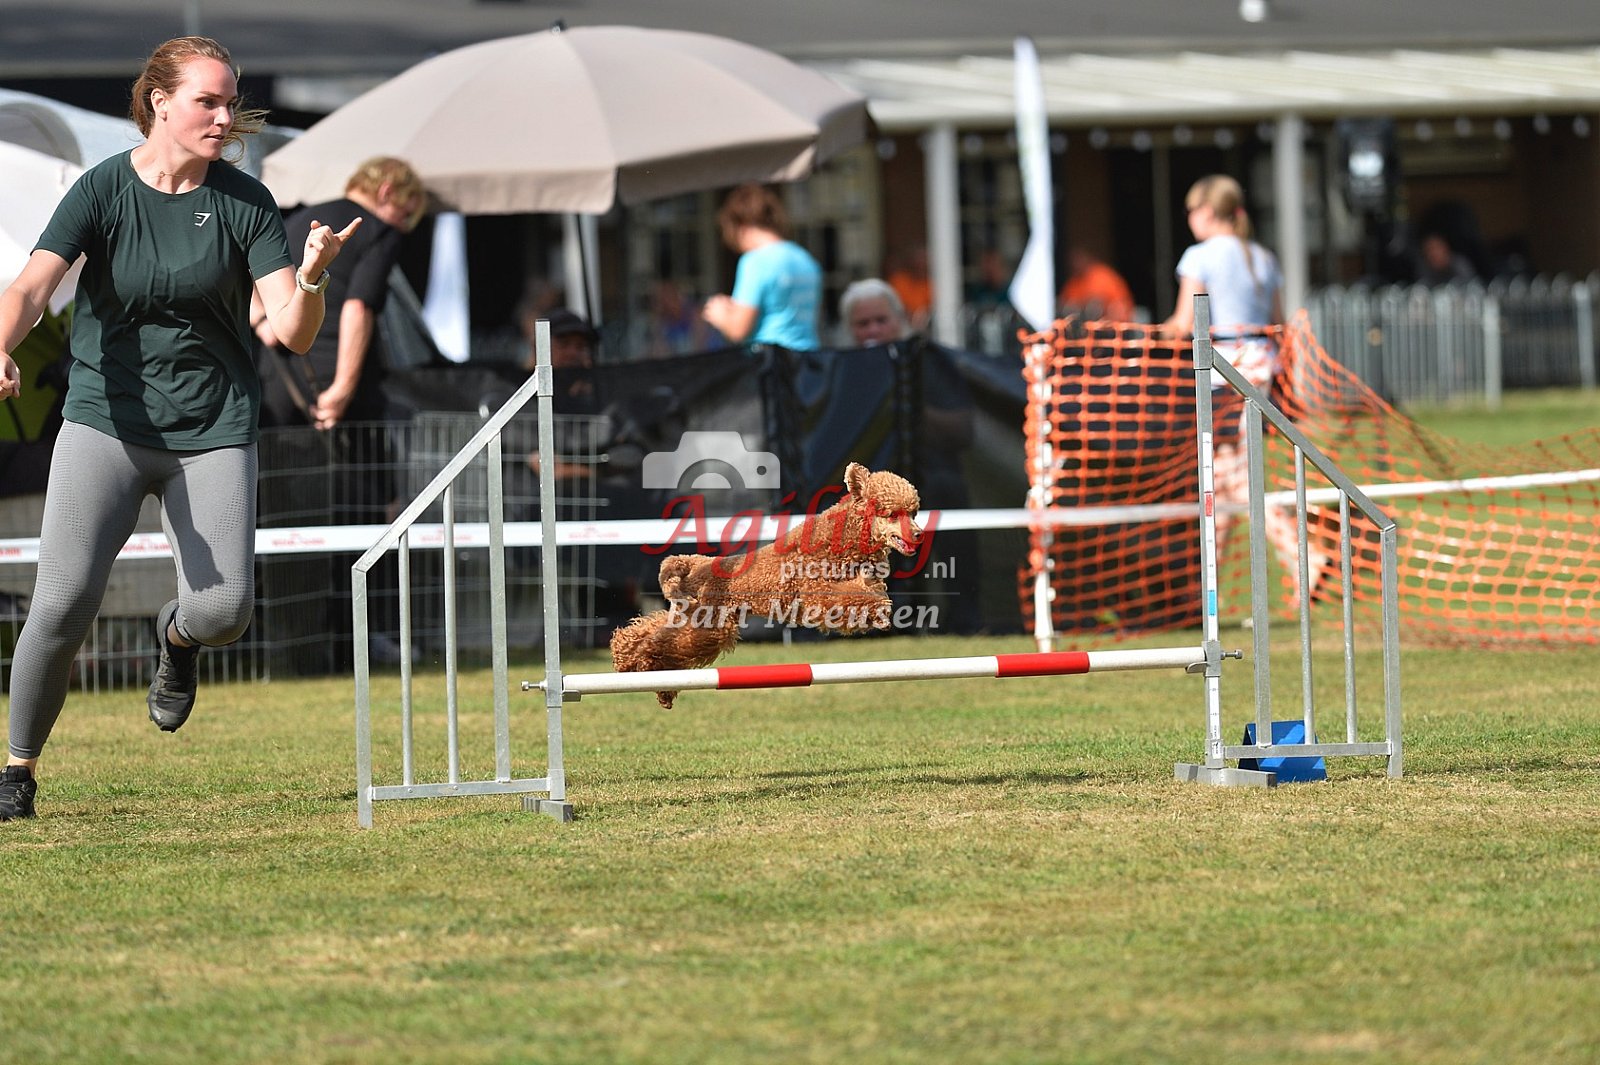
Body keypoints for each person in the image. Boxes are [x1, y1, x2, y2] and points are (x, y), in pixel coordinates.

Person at [0, 36, 359, 821]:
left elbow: (293, 332)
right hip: (105, 421)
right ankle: (17, 769)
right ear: (160, 102)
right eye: (208, 101)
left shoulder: (245, 201)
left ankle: (178, 637)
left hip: (214, 427)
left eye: (231, 102)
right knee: (62, 604)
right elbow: (29, 286)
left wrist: (311, 276)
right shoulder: (102, 189)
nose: (225, 117)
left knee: (224, 611)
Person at [1160, 174, 1313, 594]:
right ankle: (1202, 585)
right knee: (1224, 479)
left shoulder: (1199, 257)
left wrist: (1145, 338)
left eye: (1192, 210)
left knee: (1238, 481)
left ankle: (1303, 558)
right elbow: (1277, 324)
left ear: (1208, 212)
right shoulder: (1263, 257)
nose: (1189, 218)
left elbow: (1183, 322)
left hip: (1223, 378)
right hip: (1261, 372)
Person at [255, 156, 425, 431]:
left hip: (276, 369)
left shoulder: (301, 219)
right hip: (329, 377)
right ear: (386, 192)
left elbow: (247, 269)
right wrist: (343, 388)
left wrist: (261, 321)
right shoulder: (380, 232)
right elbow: (358, 307)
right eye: (405, 214)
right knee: (363, 457)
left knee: (275, 455)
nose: (404, 226)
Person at [701, 184, 822, 352]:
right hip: (809, 358)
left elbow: (738, 330)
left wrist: (720, 315)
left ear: (740, 226)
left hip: (772, 360)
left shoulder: (755, 262)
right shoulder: (805, 259)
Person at [1059, 246, 1136, 322]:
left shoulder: (1103, 277)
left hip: (1112, 325)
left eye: (1079, 257)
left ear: (1088, 257)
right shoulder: (1073, 283)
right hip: (1083, 326)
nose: (1075, 262)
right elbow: (1065, 308)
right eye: (1073, 259)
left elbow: (1119, 309)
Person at [886, 243, 933, 332]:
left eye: (924, 260)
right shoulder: (898, 280)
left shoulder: (936, 283)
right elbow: (892, 306)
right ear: (910, 262)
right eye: (917, 260)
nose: (921, 264)